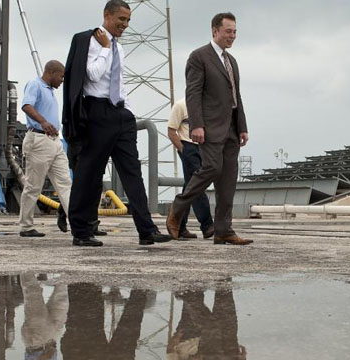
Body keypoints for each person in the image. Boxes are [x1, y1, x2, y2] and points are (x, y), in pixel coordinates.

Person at [62, 0, 172, 247]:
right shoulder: (90, 41)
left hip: (121, 114)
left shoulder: (118, 48)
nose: (125, 25)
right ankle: (81, 231)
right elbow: (91, 75)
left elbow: (119, 83)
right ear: (107, 15)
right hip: (97, 112)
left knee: (133, 172)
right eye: (121, 19)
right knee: (88, 173)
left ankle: (147, 230)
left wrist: (128, 110)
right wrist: (104, 49)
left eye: (128, 21)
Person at [166, 12, 251, 246]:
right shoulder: (199, 57)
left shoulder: (231, 60)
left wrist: (242, 126)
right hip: (210, 127)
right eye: (228, 31)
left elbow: (236, 96)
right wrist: (197, 124)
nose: (232, 36)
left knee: (228, 180)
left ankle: (223, 229)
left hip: (232, 129)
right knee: (211, 168)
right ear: (214, 31)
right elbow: (193, 93)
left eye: (234, 31)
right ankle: (178, 207)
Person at [18, 61, 73, 238]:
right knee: (34, 185)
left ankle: (77, 223)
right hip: (39, 139)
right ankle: (26, 226)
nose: (62, 80)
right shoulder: (35, 85)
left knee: (65, 183)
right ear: (51, 72)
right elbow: (27, 105)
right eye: (61, 76)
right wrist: (43, 121)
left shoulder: (49, 91)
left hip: (54, 141)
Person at [18, 272, 67, 360]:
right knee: (62, 300)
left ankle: (25, 268)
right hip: (51, 339)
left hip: (36, 341)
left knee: (33, 296)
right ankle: (61, 270)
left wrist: (43, 359)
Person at [167, 99, 214, 239]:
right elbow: (171, 131)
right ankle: (207, 225)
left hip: (204, 148)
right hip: (188, 146)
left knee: (190, 186)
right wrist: (182, 150)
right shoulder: (181, 105)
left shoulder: (207, 106)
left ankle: (179, 225)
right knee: (197, 184)